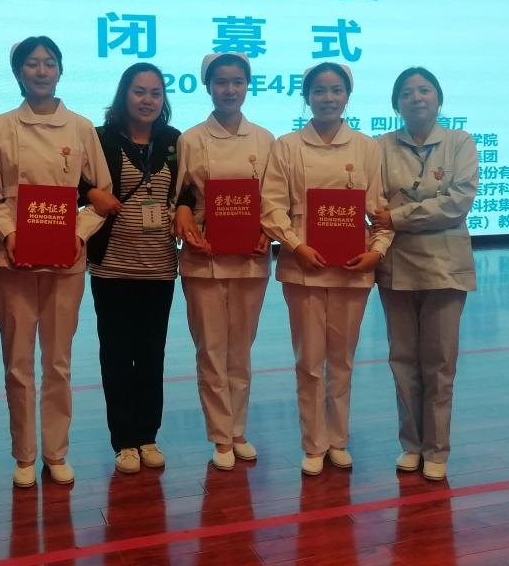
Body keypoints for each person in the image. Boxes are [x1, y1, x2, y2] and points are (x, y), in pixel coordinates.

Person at [0, 36, 111, 489]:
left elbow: (101, 195)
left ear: (60, 70)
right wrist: (10, 232)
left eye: (49, 63)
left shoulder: (80, 127)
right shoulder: (1, 127)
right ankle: (24, 454)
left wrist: (77, 233)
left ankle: (56, 453)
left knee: (58, 361)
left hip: (65, 259)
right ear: (18, 72)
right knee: (17, 363)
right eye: (32, 64)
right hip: (12, 258)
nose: (41, 71)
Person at [260, 62, 392, 476]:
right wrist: (295, 245)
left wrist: (377, 251)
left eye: (336, 90)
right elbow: (271, 207)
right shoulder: (286, 146)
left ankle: (338, 439)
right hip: (304, 266)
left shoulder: (367, 148)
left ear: (347, 96)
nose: (328, 98)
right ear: (307, 97)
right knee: (309, 360)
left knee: (343, 360)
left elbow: (381, 210)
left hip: (353, 268)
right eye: (319, 90)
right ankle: (314, 443)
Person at [371, 67, 477, 482]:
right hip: (397, 265)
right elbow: (374, 203)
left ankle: (437, 449)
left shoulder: (459, 143)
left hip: (446, 267)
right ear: (396, 103)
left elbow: (458, 202)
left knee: (440, 362)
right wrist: (395, 217)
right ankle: (412, 445)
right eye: (407, 93)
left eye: (424, 90)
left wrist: (399, 216)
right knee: (402, 360)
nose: (416, 98)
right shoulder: (380, 146)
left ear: (438, 98)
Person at [173, 52, 275, 470]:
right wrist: (186, 223)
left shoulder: (265, 140)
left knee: (241, 349)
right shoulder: (191, 139)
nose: (229, 90)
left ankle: (238, 429)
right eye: (221, 82)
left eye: (237, 82)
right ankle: (220, 436)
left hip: (250, 258)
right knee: (211, 349)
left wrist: (268, 231)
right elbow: (180, 196)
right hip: (205, 258)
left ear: (247, 86)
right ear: (208, 86)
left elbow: (274, 199)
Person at [83, 63, 181, 474]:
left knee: (152, 355)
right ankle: (123, 440)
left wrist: (186, 210)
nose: (147, 100)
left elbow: (188, 191)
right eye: (139, 91)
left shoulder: (174, 141)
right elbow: (75, 182)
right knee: (117, 356)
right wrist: (91, 192)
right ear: (124, 94)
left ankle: (147, 436)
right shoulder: (101, 138)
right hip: (112, 268)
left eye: (155, 93)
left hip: (159, 267)